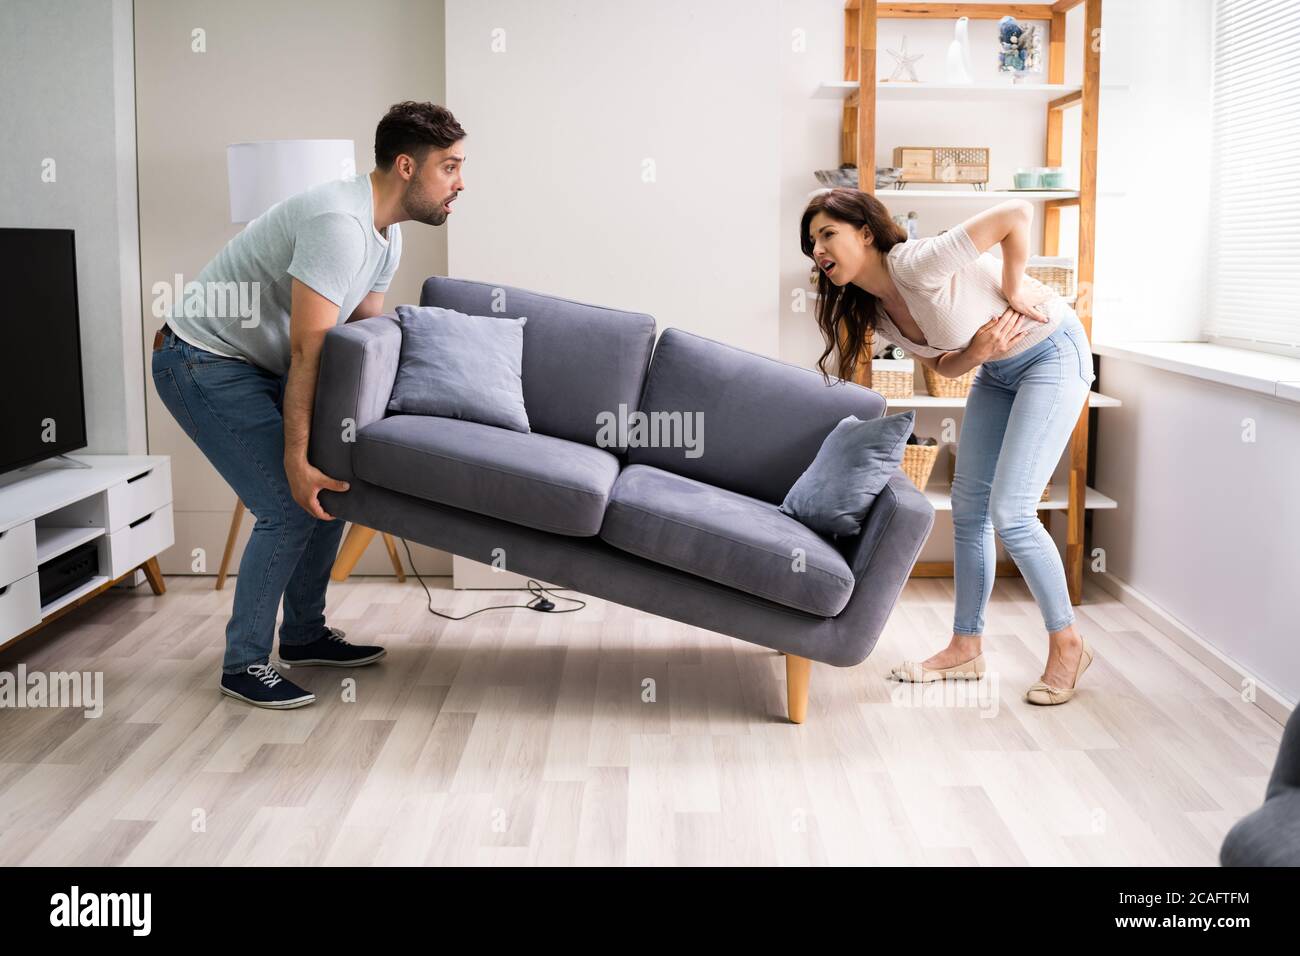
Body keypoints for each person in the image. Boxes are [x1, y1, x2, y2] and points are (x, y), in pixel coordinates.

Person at [151, 101, 466, 709]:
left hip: (261, 365)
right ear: (407, 166)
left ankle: (302, 635)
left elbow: (357, 348)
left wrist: (365, 440)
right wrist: (298, 457)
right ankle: (243, 664)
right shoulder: (337, 225)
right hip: (200, 360)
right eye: (449, 167)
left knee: (330, 487)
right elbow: (309, 351)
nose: (460, 181)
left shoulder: (385, 234)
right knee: (288, 503)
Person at [801, 187, 1096, 705]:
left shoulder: (914, 263)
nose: (819, 250)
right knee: (967, 508)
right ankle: (966, 646)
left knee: (1013, 511)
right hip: (998, 371)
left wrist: (1013, 287)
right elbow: (943, 366)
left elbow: (1014, 213)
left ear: (866, 233)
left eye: (828, 234)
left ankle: (1068, 642)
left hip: (1051, 351)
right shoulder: (877, 311)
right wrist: (980, 350)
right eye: (812, 243)